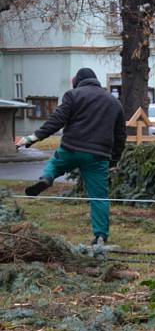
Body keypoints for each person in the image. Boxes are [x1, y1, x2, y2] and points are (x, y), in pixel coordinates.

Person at [16, 67, 126, 245]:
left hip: (71, 148)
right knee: (99, 197)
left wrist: (32, 138)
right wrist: (114, 159)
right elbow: (120, 135)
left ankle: (47, 178)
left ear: (79, 81)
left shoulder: (73, 95)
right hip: (98, 156)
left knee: (55, 164)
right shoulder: (113, 102)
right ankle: (100, 236)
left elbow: (56, 121)